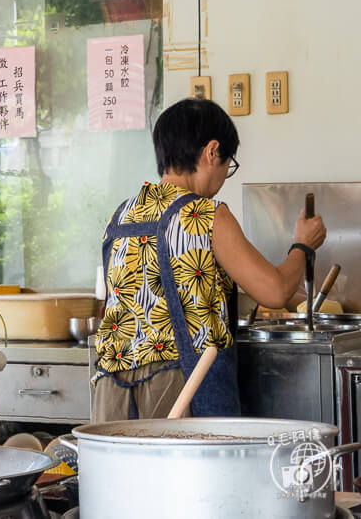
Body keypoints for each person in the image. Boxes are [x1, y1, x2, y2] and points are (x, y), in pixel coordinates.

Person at [92, 98, 327, 421]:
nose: (222, 178)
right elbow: (274, 292)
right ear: (212, 151)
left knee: (124, 473)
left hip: (113, 391)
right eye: (227, 164)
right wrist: (303, 245)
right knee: (196, 473)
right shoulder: (206, 215)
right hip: (180, 388)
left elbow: (163, 286)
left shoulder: (121, 215)